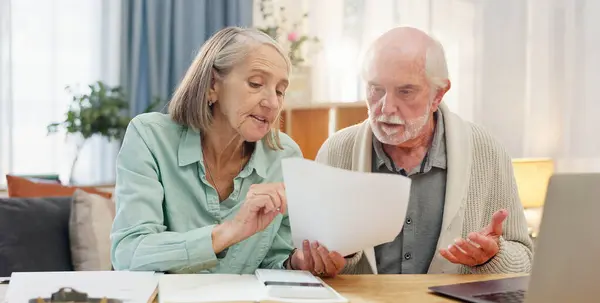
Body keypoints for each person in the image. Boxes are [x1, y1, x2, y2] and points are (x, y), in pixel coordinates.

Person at [110, 27, 345, 276]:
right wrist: (229, 232)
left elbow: (275, 260)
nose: (272, 103)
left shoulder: (284, 155)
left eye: (279, 91)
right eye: (256, 83)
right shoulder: (150, 137)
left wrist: (297, 264)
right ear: (213, 85)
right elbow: (129, 252)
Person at [315, 27, 534, 275]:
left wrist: (493, 257)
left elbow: (525, 261)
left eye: (405, 91)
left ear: (438, 95)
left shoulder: (486, 150)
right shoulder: (336, 152)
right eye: (376, 89)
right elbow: (304, 262)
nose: (386, 107)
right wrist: (333, 256)